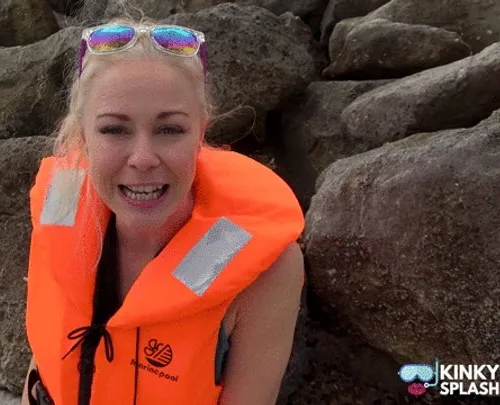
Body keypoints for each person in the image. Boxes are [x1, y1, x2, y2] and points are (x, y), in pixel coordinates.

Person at [22, 15, 305, 405]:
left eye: (169, 129)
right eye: (114, 130)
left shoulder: (266, 270)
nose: (142, 158)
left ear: (201, 133)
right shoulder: (60, 213)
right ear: (82, 136)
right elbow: (42, 367)